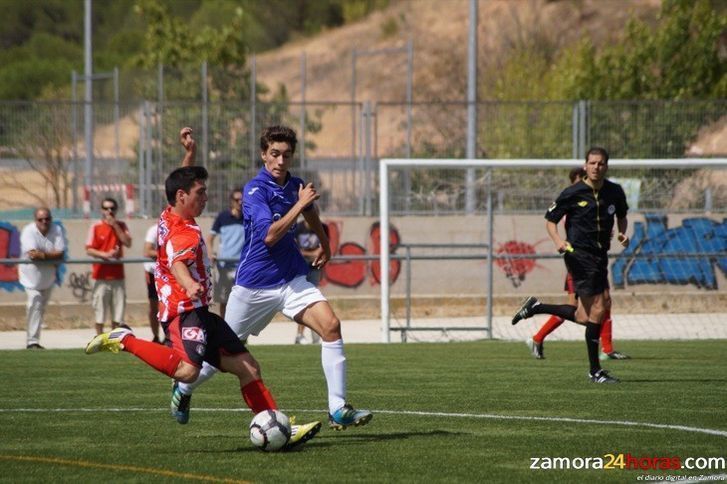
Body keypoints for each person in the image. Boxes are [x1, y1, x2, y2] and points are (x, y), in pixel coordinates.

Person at [85, 129, 320, 450]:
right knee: (186, 370)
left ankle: (280, 427)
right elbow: (179, 263)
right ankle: (124, 340)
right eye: (201, 192)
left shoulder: (170, 215)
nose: (206, 197)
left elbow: (181, 182)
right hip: (183, 313)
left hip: (200, 313)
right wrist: (190, 283)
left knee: (248, 366)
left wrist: (190, 153)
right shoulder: (182, 233)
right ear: (183, 197)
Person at [174, 125, 373, 431]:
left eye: (287, 155)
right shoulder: (255, 190)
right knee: (225, 352)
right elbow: (269, 236)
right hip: (254, 286)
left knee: (331, 326)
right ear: (264, 155)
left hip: (291, 280)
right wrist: (300, 204)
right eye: (275, 154)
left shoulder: (294, 185)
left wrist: (326, 242)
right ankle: (184, 389)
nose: (281, 161)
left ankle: (338, 407)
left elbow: (310, 214)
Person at [512, 147, 630, 383]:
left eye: (601, 164)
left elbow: (622, 216)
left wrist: (623, 233)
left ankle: (536, 307)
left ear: (606, 166)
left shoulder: (614, 192)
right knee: (598, 309)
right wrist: (558, 242)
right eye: (592, 163)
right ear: (585, 165)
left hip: (600, 256)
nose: (596, 167)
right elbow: (550, 220)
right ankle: (595, 370)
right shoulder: (573, 192)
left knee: (590, 314)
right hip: (578, 255)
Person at [18, 207, 65, 349]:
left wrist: (43, 255)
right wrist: (50, 255)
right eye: (40, 219)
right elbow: (33, 254)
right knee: (35, 304)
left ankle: (34, 340)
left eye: (47, 219)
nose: (44, 222)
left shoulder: (56, 229)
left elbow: (61, 253)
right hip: (30, 279)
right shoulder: (29, 231)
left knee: (40, 308)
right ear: (35, 220)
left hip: (47, 278)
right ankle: (32, 342)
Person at [85, 197, 132, 335]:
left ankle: (115, 340)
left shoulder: (122, 225)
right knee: (100, 311)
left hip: (118, 276)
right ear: (101, 210)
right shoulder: (95, 227)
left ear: (116, 210)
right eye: (106, 208)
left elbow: (127, 243)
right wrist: (104, 255)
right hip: (100, 276)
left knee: (118, 313)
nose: (109, 211)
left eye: (112, 208)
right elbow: (89, 249)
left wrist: (115, 226)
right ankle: (99, 339)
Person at [207, 189, 245, 319]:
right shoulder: (222, 217)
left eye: (242, 200)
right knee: (224, 301)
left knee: (242, 303)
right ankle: (225, 332)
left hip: (242, 267)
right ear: (231, 202)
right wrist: (210, 253)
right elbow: (209, 239)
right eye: (237, 200)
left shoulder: (248, 217)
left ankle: (240, 335)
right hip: (224, 267)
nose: (240, 202)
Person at [294, 211, 329, 345]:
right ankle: (300, 335)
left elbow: (325, 247)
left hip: (315, 269)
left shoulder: (323, 227)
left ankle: (315, 334)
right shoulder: (297, 228)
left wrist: (313, 254)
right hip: (299, 269)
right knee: (303, 302)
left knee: (313, 301)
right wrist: (312, 253)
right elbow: (295, 249)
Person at [143, 222, 163, 343]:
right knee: (154, 306)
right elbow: (147, 251)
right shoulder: (154, 230)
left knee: (169, 307)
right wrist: (166, 255)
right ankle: (156, 336)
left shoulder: (177, 229)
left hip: (169, 273)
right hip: (153, 273)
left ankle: (169, 337)